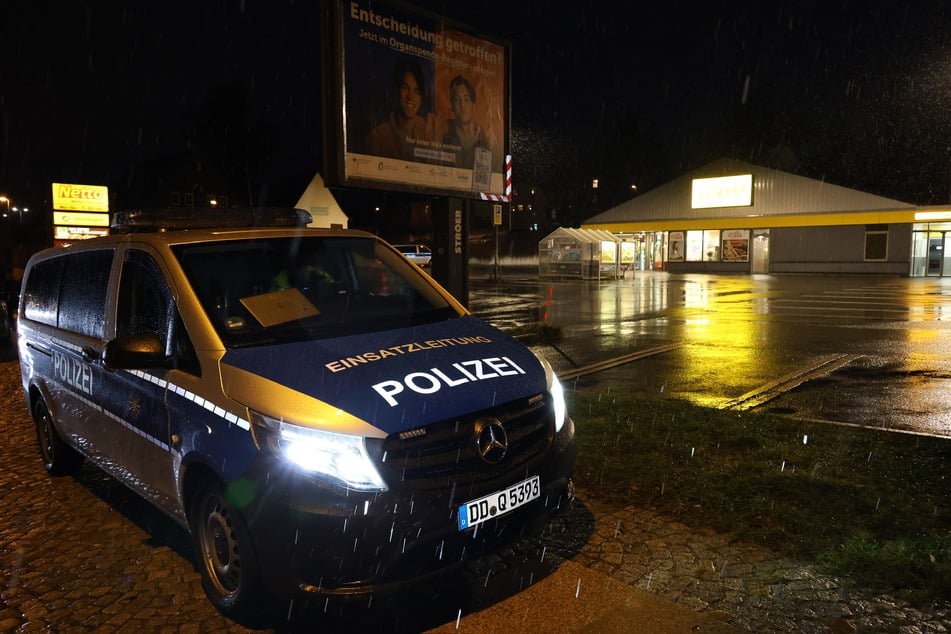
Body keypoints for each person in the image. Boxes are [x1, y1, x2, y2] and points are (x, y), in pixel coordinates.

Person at [367, 59, 436, 161]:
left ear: (422, 98)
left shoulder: (429, 131)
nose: (410, 97)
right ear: (396, 90)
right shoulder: (378, 136)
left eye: (417, 91)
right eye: (405, 87)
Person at [441, 75, 498, 170]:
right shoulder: (444, 135)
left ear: (473, 105)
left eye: (466, 99)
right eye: (457, 100)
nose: (462, 105)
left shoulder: (486, 140)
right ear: (452, 106)